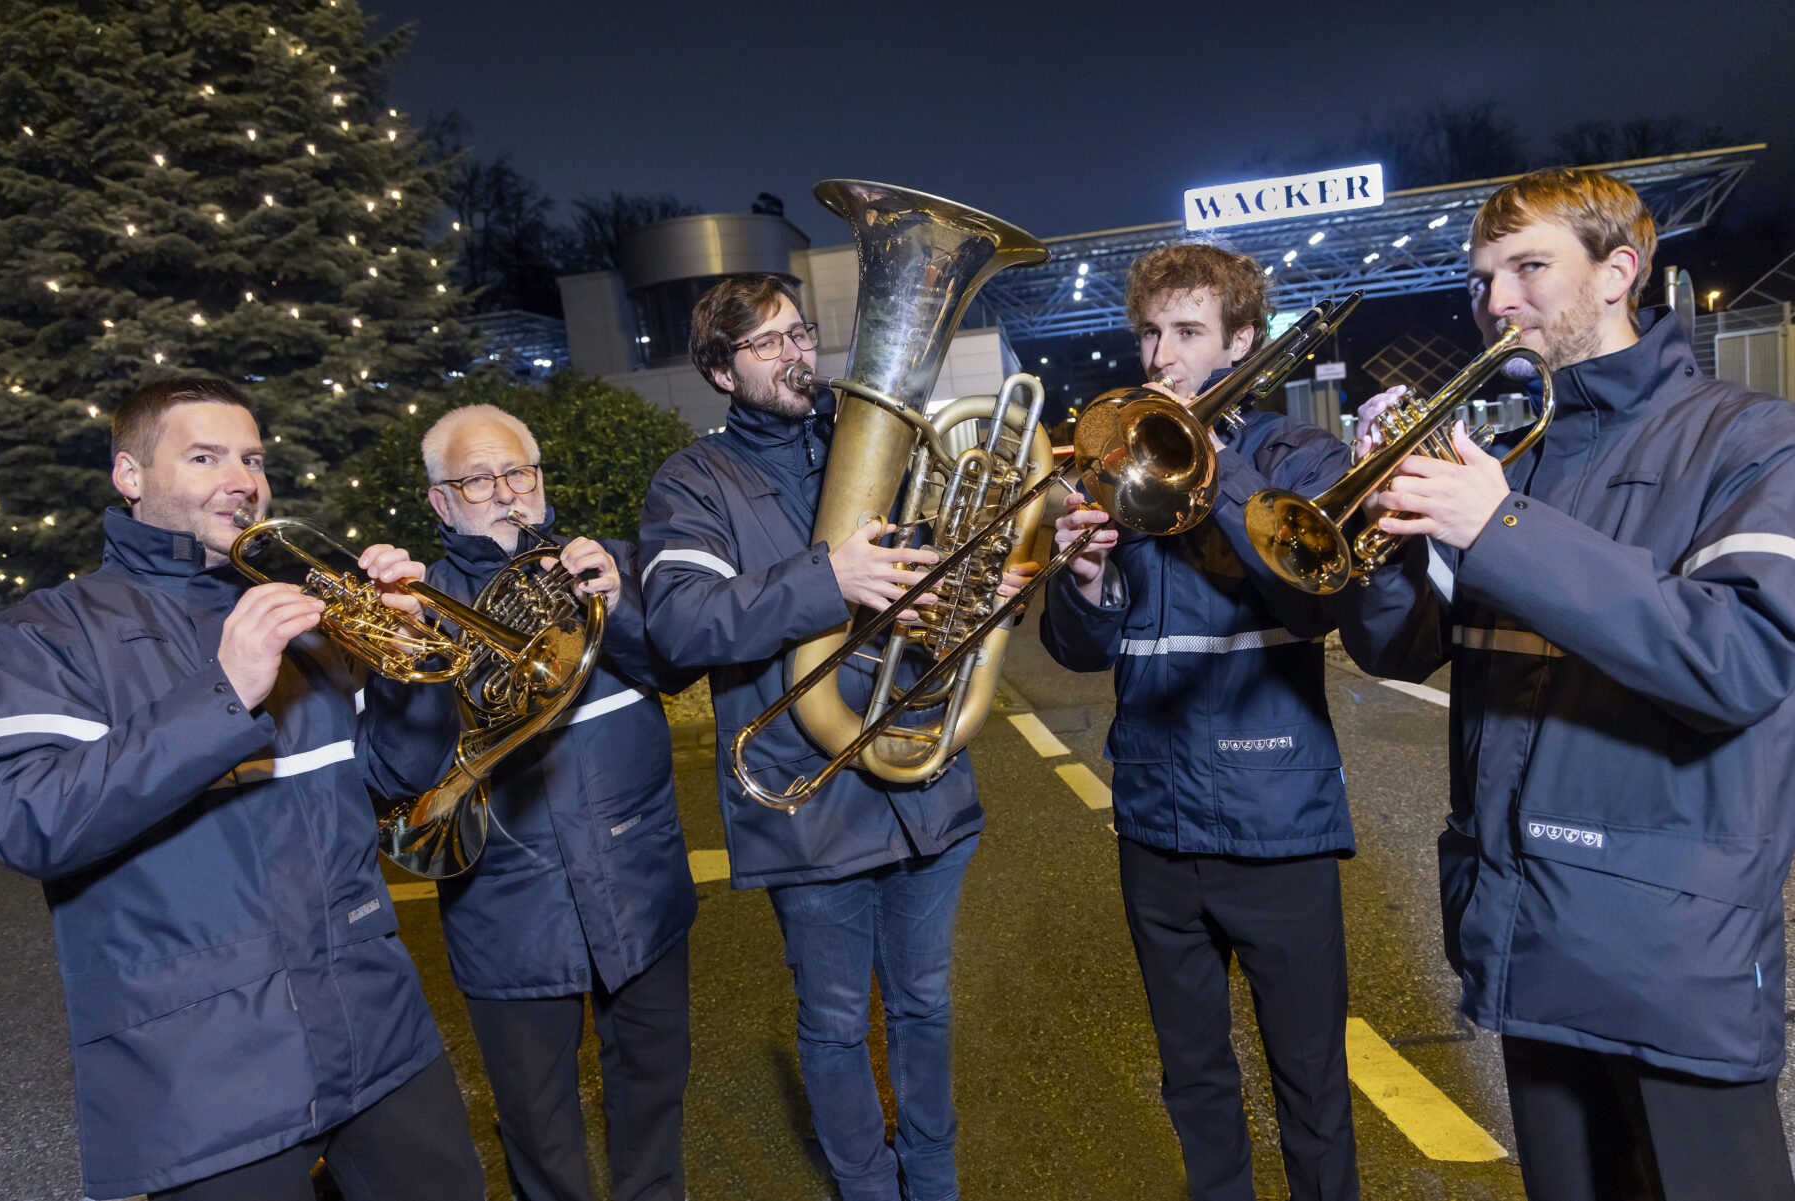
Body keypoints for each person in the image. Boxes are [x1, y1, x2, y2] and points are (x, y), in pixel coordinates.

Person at [1337, 167, 1795, 1201]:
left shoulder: (1756, 439)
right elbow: (1401, 649)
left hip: (1673, 960)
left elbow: (1736, 658)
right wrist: (1382, 540)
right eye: (1482, 279)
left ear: (1619, 272)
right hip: (1528, 934)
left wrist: (1494, 526)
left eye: (1529, 268)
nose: (1496, 302)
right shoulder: (1519, 457)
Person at [0, 378, 483, 1200]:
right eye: (204, 456)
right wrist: (224, 690)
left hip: (377, 1031)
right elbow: (32, 821)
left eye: (252, 457)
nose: (243, 479)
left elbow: (398, 777)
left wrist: (412, 666)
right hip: (201, 1074)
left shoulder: (304, 612)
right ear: (130, 475)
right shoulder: (45, 633)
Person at [638, 273, 1012, 1201]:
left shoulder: (878, 443)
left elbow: (932, 595)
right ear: (721, 371)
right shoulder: (692, 481)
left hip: (923, 782)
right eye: (765, 343)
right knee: (840, 1021)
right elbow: (681, 627)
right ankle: (868, 1187)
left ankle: (936, 1182)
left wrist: (975, 599)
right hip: (807, 800)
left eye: (799, 332)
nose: (795, 353)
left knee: (926, 1006)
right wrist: (828, 576)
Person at [1040, 243, 1360, 1200]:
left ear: (1243, 343)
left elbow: (1316, 601)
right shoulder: (1118, 463)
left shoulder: (1294, 456)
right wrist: (1086, 582)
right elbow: (1081, 651)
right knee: (1194, 1082)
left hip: (1277, 824)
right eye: (1149, 332)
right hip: (1153, 822)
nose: (1160, 356)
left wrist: (1205, 480)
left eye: (1186, 332)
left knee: (1311, 1088)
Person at [379, 403, 697, 1201]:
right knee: (539, 1131)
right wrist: (403, 660)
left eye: (517, 472)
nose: (504, 493)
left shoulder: (605, 568)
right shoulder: (418, 607)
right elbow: (397, 778)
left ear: (541, 483)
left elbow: (677, 667)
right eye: (477, 479)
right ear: (440, 503)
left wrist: (618, 600)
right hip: (508, 918)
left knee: (654, 1107)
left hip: (640, 893)